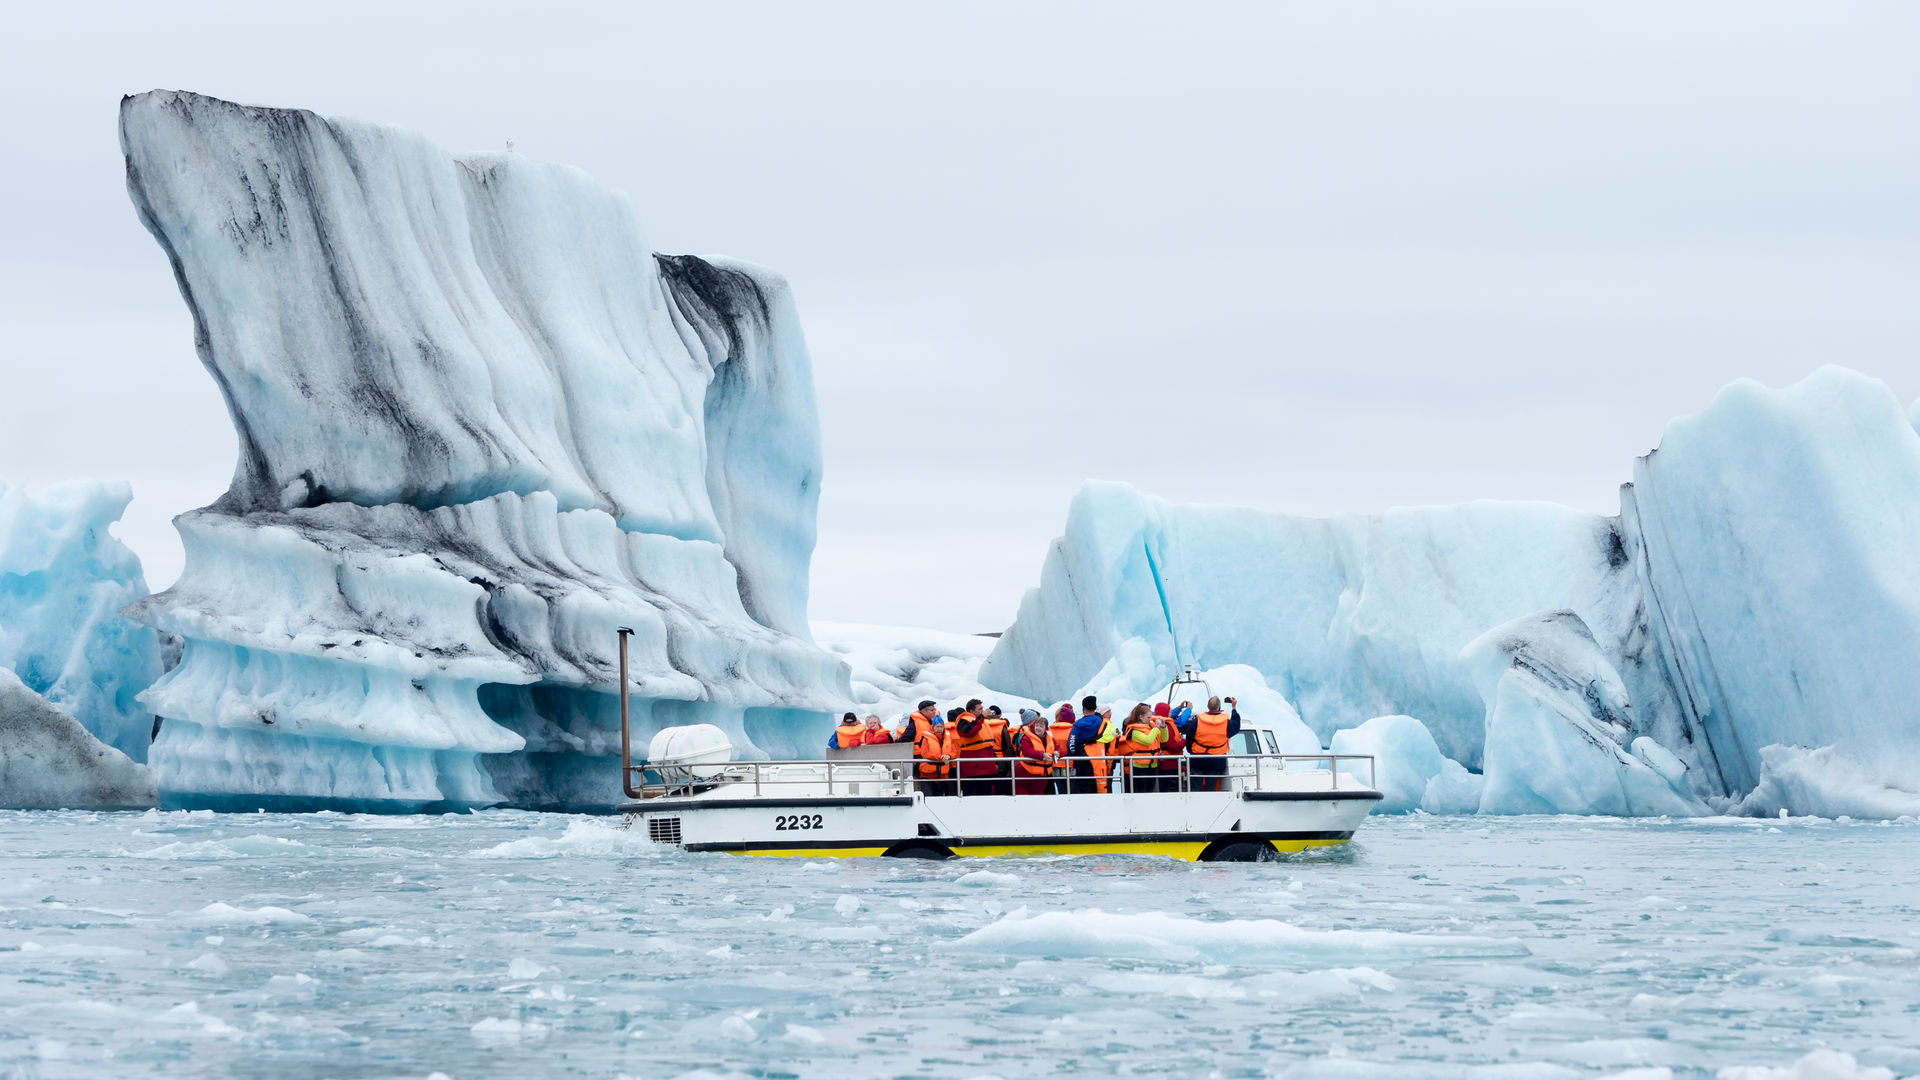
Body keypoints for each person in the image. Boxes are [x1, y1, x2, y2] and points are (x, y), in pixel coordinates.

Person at [1181, 695, 1241, 792]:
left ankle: (1194, 805)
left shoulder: (1197, 721)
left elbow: (1189, 735)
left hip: (1198, 759)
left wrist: (1191, 750)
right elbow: (1236, 726)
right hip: (1216, 761)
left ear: (1208, 707)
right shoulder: (1226, 723)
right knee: (1210, 788)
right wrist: (1233, 708)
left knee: (1195, 788)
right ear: (1219, 707)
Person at [901, 701, 952, 795]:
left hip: (939, 760)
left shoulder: (936, 721)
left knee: (940, 787)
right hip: (920, 757)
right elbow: (903, 740)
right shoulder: (915, 724)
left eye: (935, 709)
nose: (934, 711)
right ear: (924, 711)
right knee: (924, 784)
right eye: (932, 710)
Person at [1067, 696, 1113, 794]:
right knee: (1097, 786)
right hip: (1099, 757)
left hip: (1083, 759)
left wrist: (1073, 755)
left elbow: (1071, 744)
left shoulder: (1078, 725)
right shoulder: (1101, 722)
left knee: (1084, 788)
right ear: (1095, 708)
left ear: (1083, 709)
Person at [951, 708, 1001, 796]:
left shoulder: (982, 722)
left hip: (986, 765)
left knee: (986, 793)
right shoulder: (963, 722)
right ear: (971, 711)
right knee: (972, 793)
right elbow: (969, 732)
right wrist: (981, 718)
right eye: (979, 709)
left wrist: (995, 761)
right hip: (972, 767)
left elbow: (988, 744)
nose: (982, 710)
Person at [1114, 703, 1163, 792]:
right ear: (1140, 717)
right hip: (1140, 766)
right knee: (1141, 791)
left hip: (1152, 765)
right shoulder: (1134, 731)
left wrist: (1164, 727)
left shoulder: (1150, 728)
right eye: (1148, 717)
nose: (1150, 720)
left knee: (1150, 791)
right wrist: (1156, 728)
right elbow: (1147, 740)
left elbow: (1164, 739)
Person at [1012, 709, 1055, 795]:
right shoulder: (1026, 736)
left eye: (1040, 725)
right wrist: (1042, 755)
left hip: (1040, 773)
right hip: (1026, 771)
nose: (1038, 726)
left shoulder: (1018, 733)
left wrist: (1057, 753)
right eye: (1036, 722)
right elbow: (1027, 751)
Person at [1047, 704, 1076, 794]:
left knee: (1061, 789)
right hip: (1070, 765)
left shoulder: (1049, 730)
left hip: (1055, 765)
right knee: (1072, 790)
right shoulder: (1074, 730)